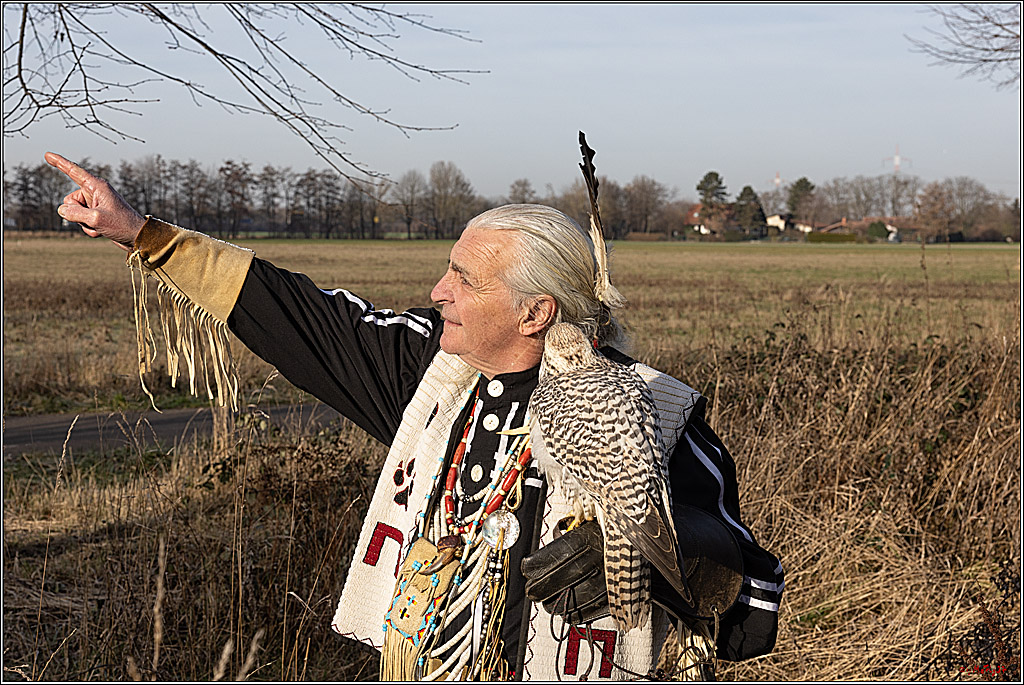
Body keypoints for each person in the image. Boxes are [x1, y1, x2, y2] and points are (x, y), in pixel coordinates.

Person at [46, 151, 784, 681]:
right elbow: (304, 317)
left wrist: (650, 553)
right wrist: (141, 232)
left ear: (535, 310)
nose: (438, 291)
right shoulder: (428, 373)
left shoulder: (655, 412)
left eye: (463, 277)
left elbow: (750, 593)